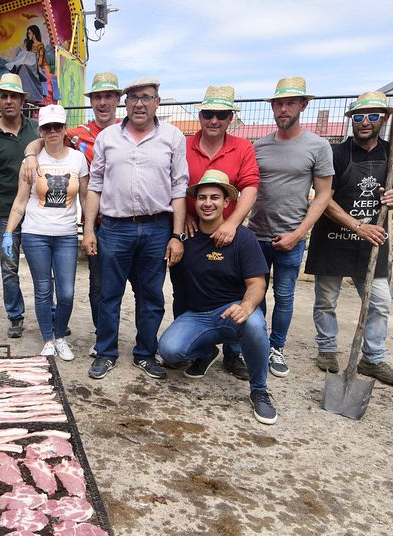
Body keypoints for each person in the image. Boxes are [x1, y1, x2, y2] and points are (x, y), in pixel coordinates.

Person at [83, 77, 189, 380]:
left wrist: (176, 235)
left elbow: (179, 189)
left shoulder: (172, 137)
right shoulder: (107, 138)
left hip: (157, 228)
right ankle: (106, 352)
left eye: (146, 97)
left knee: (151, 295)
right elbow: (95, 185)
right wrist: (89, 230)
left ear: (158, 101)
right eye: (133, 98)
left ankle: (145, 353)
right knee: (108, 295)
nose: (139, 104)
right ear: (124, 103)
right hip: (114, 229)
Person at [304, 91, 393, 387]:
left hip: (372, 243)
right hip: (334, 239)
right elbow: (324, 199)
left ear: (385, 119)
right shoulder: (336, 154)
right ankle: (327, 349)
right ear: (352, 120)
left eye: (373, 116)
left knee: (380, 302)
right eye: (360, 116)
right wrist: (357, 225)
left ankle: (373, 358)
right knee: (326, 300)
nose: (365, 122)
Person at [158, 170, 277, 425]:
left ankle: (260, 390)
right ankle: (206, 351)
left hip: (232, 311)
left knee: (255, 324)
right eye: (202, 198)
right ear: (195, 202)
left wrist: (246, 306)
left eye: (214, 197)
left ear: (226, 202)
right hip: (198, 316)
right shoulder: (184, 238)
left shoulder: (242, 238)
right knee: (169, 350)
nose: (208, 203)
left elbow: (257, 283)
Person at [21, 72, 122, 356]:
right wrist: (30, 154)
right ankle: (95, 340)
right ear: (91, 102)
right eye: (97, 97)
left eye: (108, 96)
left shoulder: (128, 132)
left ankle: (123, 344)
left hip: (122, 219)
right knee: (97, 286)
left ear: (117, 99)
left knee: (128, 287)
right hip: (98, 221)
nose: (103, 102)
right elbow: (42, 143)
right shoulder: (79, 136)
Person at [250, 77, 334, 378]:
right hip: (256, 235)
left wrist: (299, 233)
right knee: (254, 295)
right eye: (278, 103)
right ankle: (256, 344)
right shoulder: (259, 146)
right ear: (272, 107)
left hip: (291, 236)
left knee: (284, 297)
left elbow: (324, 194)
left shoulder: (318, 146)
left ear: (303, 105)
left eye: (289, 103)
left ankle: (276, 348)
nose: (283, 109)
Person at [176, 85, 260, 381]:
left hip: (227, 229)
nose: (214, 120)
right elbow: (173, 184)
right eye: (209, 113)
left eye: (221, 114)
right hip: (190, 229)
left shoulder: (243, 147)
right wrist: (184, 216)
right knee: (185, 287)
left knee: (233, 288)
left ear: (230, 118)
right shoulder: (183, 145)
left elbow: (250, 186)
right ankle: (198, 349)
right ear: (200, 115)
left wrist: (232, 222)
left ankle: (233, 353)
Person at [4, 104, 88, 360]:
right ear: (40, 130)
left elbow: (85, 198)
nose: (53, 131)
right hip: (35, 233)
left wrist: (91, 229)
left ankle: (61, 335)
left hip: (65, 234)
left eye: (57, 126)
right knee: (42, 289)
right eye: (47, 127)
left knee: (66, 292)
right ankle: (48, 339)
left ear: (64, 128)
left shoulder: (77, 159)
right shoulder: (32, 161)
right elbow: (20, 201)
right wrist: (8, 232)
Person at [0, 73, 40, 338]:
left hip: (38, 211)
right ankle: (15, 315)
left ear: (22, 100)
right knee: (9, 266)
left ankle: (50, 313)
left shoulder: (37, 129)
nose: (9, 100)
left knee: (41, 266)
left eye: (14, 95)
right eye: (4, 95)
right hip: (4, 213)